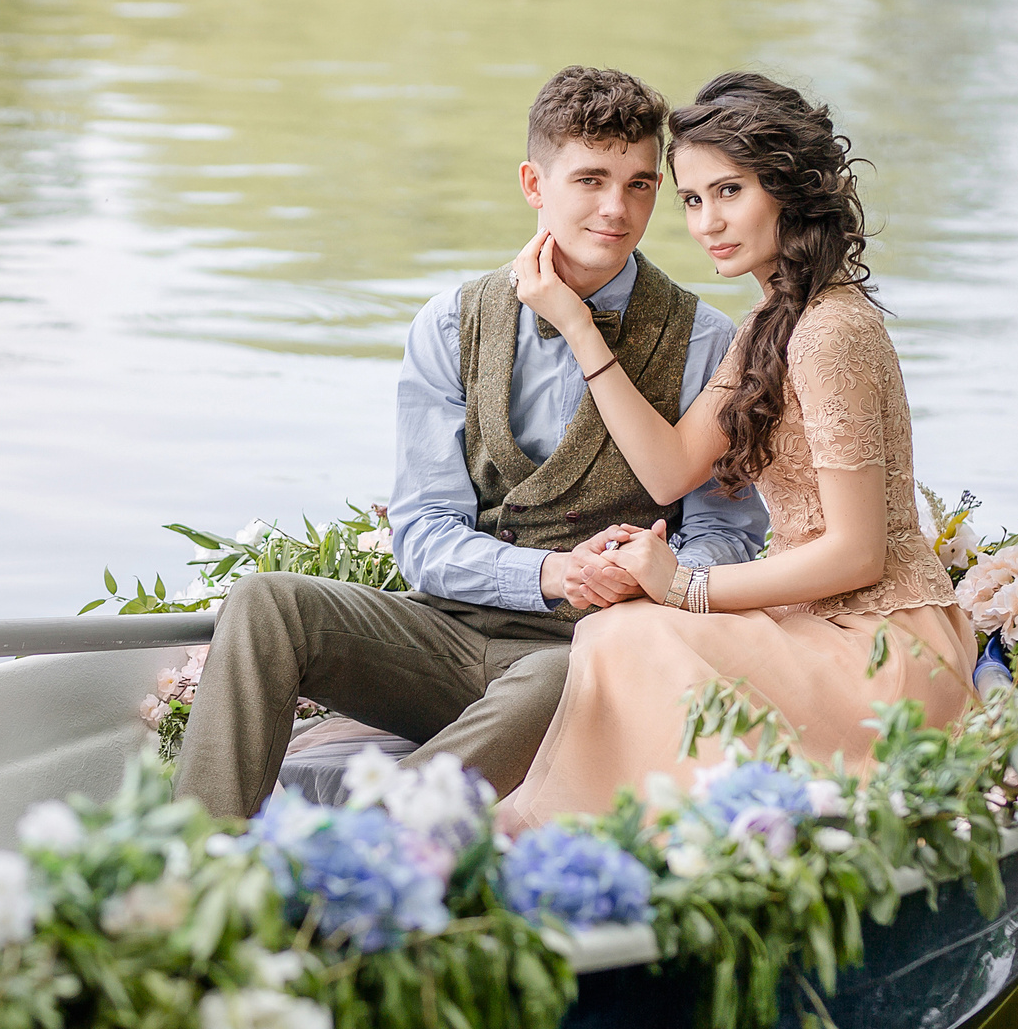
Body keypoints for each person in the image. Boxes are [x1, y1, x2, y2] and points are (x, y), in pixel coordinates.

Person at [173, 67, 769, 821]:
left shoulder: (709, 344)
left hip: (585, 654)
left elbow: (728, 539)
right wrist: (552, 572)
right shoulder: (451, 323)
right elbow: (421, 533)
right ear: (533, 182)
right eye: (590, 179)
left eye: (642, 184)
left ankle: (351, 846)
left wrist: (657, 570)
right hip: (443, 637)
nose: (617, 209)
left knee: (573, 674)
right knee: (265, 602)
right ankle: (193, 855)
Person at [492, 73, 976, 832]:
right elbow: (669, 468)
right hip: (817, 620)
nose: (707, 221)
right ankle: (640, 839)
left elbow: (858, 554)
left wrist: (686, 587)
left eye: (730, 192)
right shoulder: (770, 324)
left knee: (629, 633)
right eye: (690, 199)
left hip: (884, 649)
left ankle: (643, 843)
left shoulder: (831, 331)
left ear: (787, 188)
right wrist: (578, 323)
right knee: (623, 632)